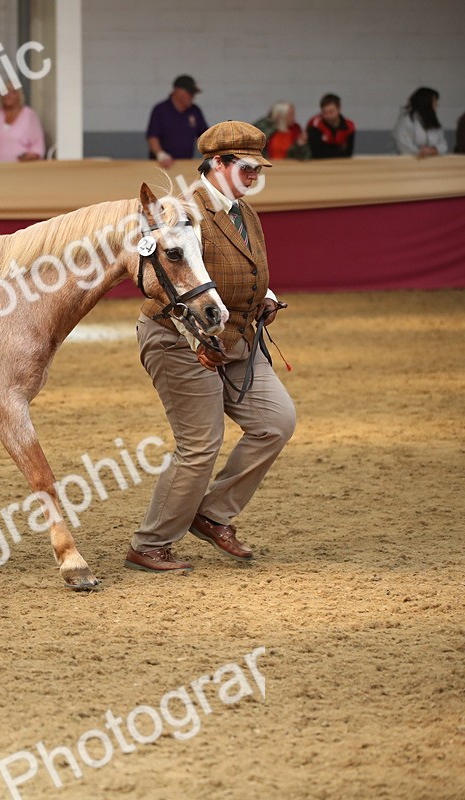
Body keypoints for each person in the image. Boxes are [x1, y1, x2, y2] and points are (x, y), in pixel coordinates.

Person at [125, 120, 295, 574]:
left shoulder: (244, 211)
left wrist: (267, 297)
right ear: (217, 163)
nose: (255, 174)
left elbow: (246, 272)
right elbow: (173, 280)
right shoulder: (184, 212)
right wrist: (196, 338)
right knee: (200, 444)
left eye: (258, 167)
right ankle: (151, 543)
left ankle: (212, 513)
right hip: (180, 340)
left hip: (237, 337)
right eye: (246, 166)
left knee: (276, 421)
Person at [146, 75, 208, 168]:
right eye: (190, 93)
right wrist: (161, 155)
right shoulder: (160, 110)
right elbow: (153, 137)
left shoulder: (195, 111)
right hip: (162, 166)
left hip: (185, 165)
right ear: (178, 92)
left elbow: (205, 136)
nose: (192, 97)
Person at [0, 83, 45, 162]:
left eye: (13, 92)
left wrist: (29, 157)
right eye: (5, 92)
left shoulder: (29, 115)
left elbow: (38, 145)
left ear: (19, 96)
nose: (8, 95)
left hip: (21, 169)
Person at [392, 87, 448, 157]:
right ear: (425, 103)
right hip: (411, 162)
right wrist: (422, 152)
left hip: (433, 162)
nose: (437, 104)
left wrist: (434, 150)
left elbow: (443, 144)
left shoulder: (433, 121)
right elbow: (403, 145)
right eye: (434, 101)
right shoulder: (406, 120)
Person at [306, 94, 355, 159]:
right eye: (324, 112)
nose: (328, 116)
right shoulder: (314, 124)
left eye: (331, 112)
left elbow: (348, 153)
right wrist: (339, 150)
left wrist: (326, 148)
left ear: (339, 109)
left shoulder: (349, 126)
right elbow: (316, 153)